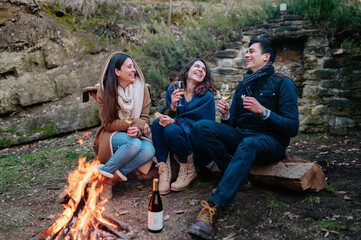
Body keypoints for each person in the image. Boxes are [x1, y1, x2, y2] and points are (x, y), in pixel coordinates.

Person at [188, 38, 299, 239]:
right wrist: (226, 116)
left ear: (266, 57)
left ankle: (213, 208)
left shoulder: (283, 82)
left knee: (248, 143)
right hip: (244, 136)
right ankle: (237, 174)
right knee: (201, 127)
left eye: (251, 51)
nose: (246, 55)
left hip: (271, 141)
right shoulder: (242, 86)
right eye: (246, 52)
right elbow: (233, 126)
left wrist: (263, 111)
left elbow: (292, 127)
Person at [93, 52, 155, 200]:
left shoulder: (141, 88)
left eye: (133, 66)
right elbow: (107, 123)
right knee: (132, 144)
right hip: (111, 134)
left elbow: (144, 118)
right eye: (129, 67)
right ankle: (105, 175)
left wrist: (138, 130)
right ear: (117, 71)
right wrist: (133, 123)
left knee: (148, 150)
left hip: (134, 135)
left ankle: (109, 180)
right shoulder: (106, 90)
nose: (134, 69)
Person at [152, 58, 217, 195]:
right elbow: (167, 114)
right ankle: (164, 171)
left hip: (197, 143)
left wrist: (174, 121)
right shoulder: (173, 90)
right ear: (187, 70)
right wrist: (172, 107)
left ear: (205, 76)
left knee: (171, 129)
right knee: (158, 123)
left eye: (204, 69)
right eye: (197, 66)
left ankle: (188, 169)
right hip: (177, 137)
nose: (200, 69)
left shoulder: (206, 97)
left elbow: (205, 127)